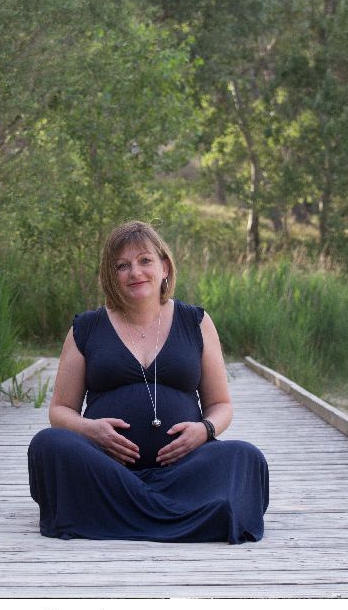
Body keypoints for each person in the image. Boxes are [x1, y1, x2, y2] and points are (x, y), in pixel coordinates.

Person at [27, 221, 269, 543]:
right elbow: (59, 411)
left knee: (246, 458)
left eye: (145, 261)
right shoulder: (86, 327)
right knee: (48, 445)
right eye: (122, 266)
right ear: (111, 276)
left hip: (183, 469)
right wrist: (90, 429)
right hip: (107, 467)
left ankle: (112, 514)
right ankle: (185, 516)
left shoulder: (195, 322)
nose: (135, 272)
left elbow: (221, 405)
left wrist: (204, 431)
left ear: (164, 266)